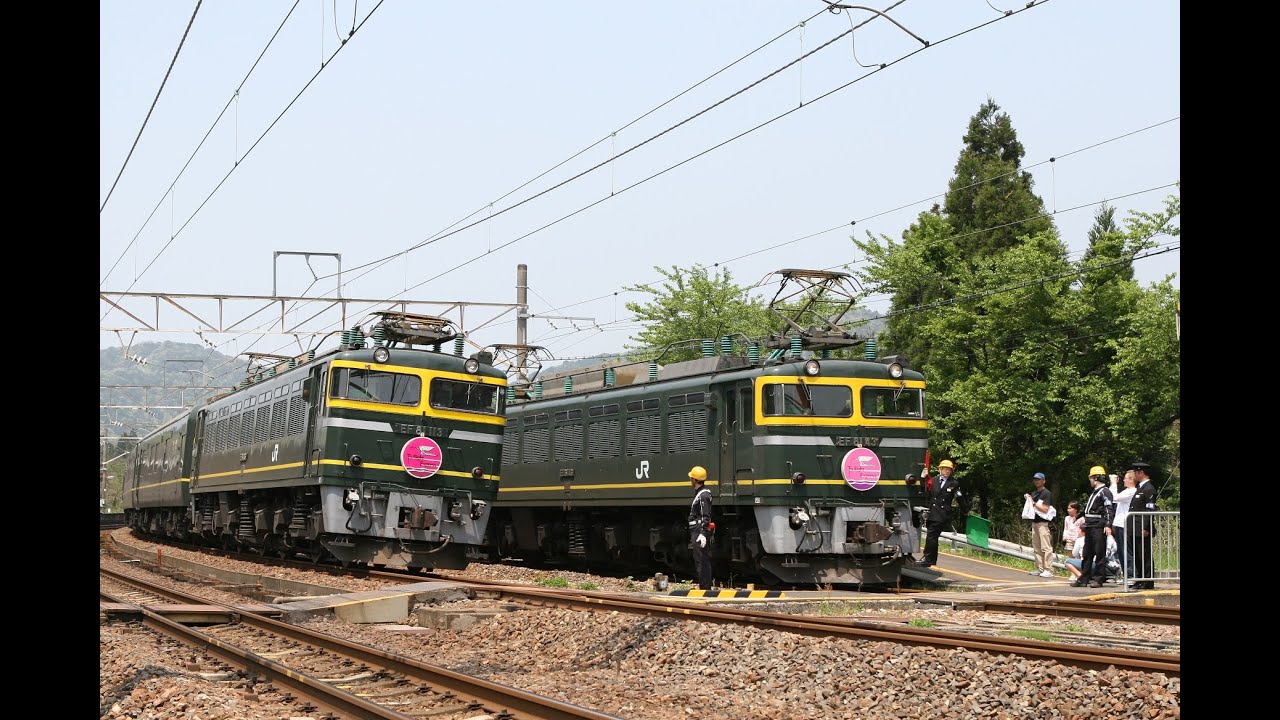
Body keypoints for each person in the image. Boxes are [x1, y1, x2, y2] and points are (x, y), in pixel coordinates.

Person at [1074, 465, 1115, 589]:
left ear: (1096, 478)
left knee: (1099, 552)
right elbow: (1087, 507)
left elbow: (1109, 509)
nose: (1090, 480)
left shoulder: (1105, 491)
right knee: (1087, 553)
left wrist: (1108, 524)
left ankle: (1098, 578)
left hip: (1098, 525)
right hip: (1089, 525)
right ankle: (1084, 578)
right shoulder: (1094, 492)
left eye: (1091, 478)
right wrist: (1078, 516)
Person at [919, 459, 961, 567]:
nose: (947, 471)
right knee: (933, 536)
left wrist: (965, 509)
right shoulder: (933, 480)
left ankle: (928, 558)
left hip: (942, 514)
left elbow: (959, 497)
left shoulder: (954, 483)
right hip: (932, 512)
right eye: (945, 469)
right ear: (940, 469)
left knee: (931, 536)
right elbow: (924, 491)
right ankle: (931, 559)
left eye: (949, 469)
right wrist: (923, 478)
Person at [1129, 461, 1158, 590]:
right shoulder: (1141, 488)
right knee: (1137, 555)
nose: (1134, 474)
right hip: (1135, 528)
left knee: (1144, 555)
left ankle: (1147, 580)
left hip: (1142, 528)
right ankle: (1140, 578)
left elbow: (1150, 510)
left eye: (1135, 472)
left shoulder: (1149, 488)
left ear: (1141, 472)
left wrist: (1146, 527)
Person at [687, 465, 714, 591]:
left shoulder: (703, 496)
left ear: (695, 480)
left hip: (698, 530)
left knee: (702, 560)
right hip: (697, 529)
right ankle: (704, 586)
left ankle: (705, 588)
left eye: (691, 478)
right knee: (700, 559)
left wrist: (703, 533)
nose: (690, 480)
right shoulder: (700, 494)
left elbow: (705, 516)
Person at [1024, 472, 1054, 577]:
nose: (1036, 481)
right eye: (1035, 479)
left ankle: (1048, 569)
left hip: (1043, 523)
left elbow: (1045, 509)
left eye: (1039, 479)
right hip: (1034, 522)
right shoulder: (1034, 493)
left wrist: (1033, 503)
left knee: (1046, 547)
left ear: (1043, 481)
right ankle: (1040, 568)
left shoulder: (1046, 493)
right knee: (1036, 547)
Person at [1111, 469, 1138, 580]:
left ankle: (1131, 575)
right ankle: (1126, 575)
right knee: (1121, 551)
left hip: (1124, 525)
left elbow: (1114, 497)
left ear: (1131, 479)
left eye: (1125, 478)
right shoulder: (1126, 491)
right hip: (1119, 524)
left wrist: (1113, 483)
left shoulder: (1132, 491)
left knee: (1126, 551)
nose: (1123, 480)